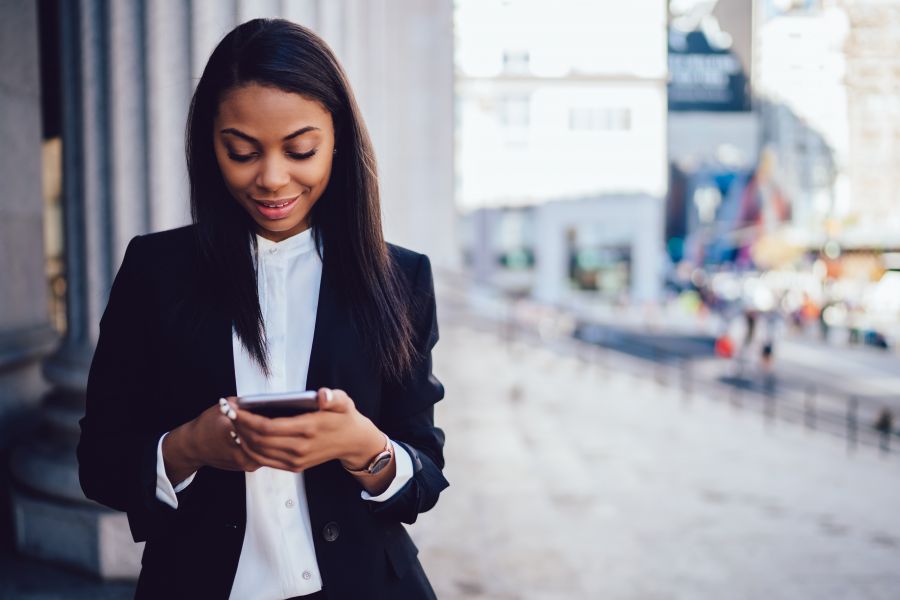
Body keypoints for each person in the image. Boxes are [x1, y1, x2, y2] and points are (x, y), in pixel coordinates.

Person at [76, 18, 448, 600]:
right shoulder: (155, 271)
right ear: (210, 146)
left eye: (301, 150)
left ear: (339, 141)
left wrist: (363, 447)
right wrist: (189, 447)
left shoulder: (401, 278)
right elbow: (99, 462)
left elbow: (423, 474)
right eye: (242, 152)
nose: (273, 180)